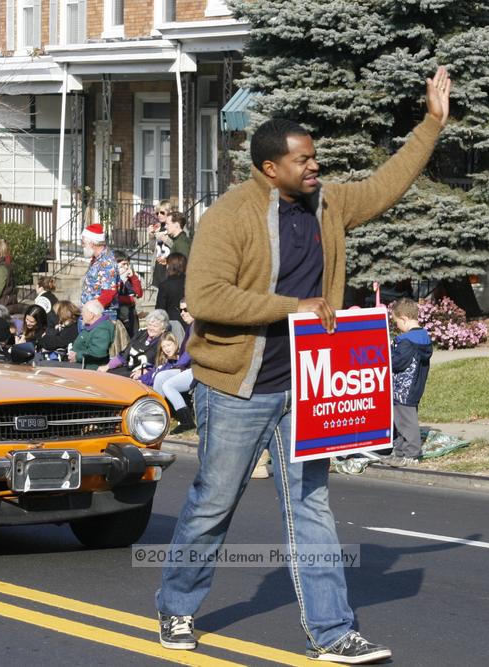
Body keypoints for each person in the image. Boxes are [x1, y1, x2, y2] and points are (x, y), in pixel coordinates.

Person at [155, 65, 452, 664]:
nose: (314, 167)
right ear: (270, 168)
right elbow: (208, 298)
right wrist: (295, 307)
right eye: (303, 160)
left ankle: (334, 631)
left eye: (315, 157)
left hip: (312, 384)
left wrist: (432, 122)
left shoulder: (329, 205)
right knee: (215, 500)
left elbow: (387, 182)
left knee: (311, 501)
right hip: (239, 384)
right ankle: (177, 606)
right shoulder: (230, 216)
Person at [383, 298, 433, 467]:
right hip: (414, 388)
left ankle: (412, 454)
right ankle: (399, 452)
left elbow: (397, 363)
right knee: (402, 420)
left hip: (402, 389)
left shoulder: (406, 341)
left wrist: (390, 350)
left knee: (405, 422)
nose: (397, 326)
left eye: (396, 322)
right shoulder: (424, 337)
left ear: (404, 318)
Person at [156, 300, 197, 435]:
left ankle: (187, 422)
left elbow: (191, 352)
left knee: (169, 385)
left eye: (186, 309)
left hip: (198, 369)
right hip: (187, 368)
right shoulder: (190, 326)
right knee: (160, 376)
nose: (182, 313)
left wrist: (178, 365)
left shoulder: (197, 327)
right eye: (180, 310)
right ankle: (157, 416)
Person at [100, 308, 169, 378]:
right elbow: (124, 354)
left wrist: (148, 370)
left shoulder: (165, 340)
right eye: (150, 325)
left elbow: (164, 364)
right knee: (106, 374)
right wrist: (107, 366)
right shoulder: (141, 334)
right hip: (129, 368)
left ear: (163, 329)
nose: (151, 328)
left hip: (145, 374)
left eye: (155, 326)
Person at [79, 223, 121, 321]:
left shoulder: (106, 262)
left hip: (99, 316)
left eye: (83, 242)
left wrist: (90, 310)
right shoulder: (97, 259)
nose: (82, 245)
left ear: (92, 243)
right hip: (91, 314)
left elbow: (109, 293)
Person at [68, 300, 114, 369]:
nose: (82, 314)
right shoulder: (92, 326)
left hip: (90, 369)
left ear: (92, 314)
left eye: (83, 312)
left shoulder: (102, 329)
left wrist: (77, 356)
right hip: (80, 364)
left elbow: (98, 352)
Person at [116, 253, 143, 337]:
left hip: (131, 313)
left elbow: (139, 293)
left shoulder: (130, 278)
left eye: (128, 264)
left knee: (133, 335)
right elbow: (115, 296)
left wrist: (133, 277)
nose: (127, 267)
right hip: (120, 314)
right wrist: (130, 299)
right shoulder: (114, 279)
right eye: (123, 264)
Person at [149, 201, 174, 287]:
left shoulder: (175, 226)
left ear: (169, 212)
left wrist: (166, 240)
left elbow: (179, 247)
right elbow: (153, 249)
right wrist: (151, 236)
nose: (159, 215)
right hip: (158, 270)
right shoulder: (159, 227)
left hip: (170, 271)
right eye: (157, 213)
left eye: (162, 212)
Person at [155, 252, 186, 321]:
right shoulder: (189, 282)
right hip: (188, 321)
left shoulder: (165, 285)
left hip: (171, 322)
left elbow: (160, 310)